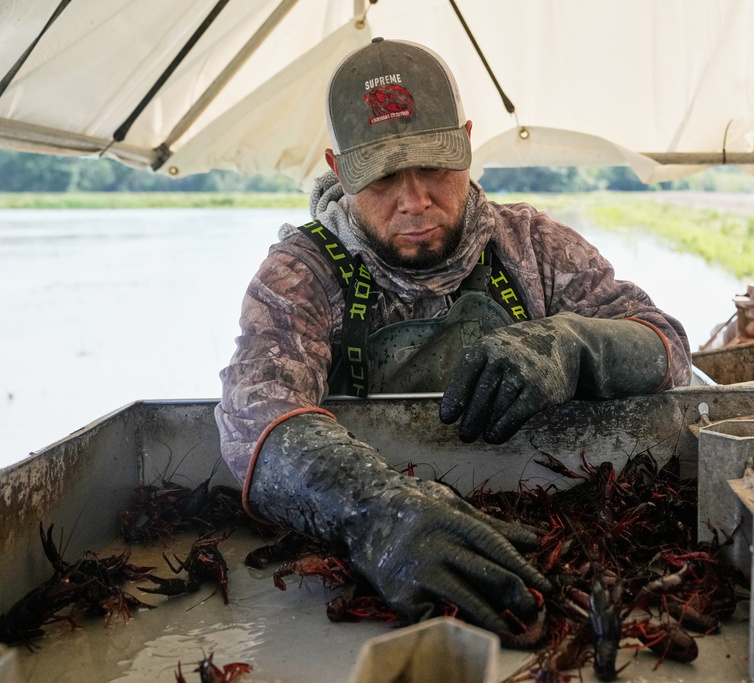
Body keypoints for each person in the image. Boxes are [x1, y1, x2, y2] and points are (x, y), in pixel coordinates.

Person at [215, 37, 691, 634]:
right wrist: (374, 513)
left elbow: (668, 346)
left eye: (436, 168)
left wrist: (574, 344)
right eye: (384, 176)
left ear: (467, 145)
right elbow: (253, 416)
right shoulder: (301, 274)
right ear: (339, 170)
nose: (415, 201)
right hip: (380, 547)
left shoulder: (534, 247)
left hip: (532, 511)